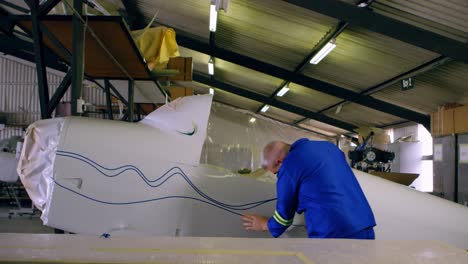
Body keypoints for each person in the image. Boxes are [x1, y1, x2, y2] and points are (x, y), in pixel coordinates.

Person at [241, 138, 376, 239]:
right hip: (363, 224)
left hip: (333, 232)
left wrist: (265, 225)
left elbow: (284, 217)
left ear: (279, 161)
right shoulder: (328, 147)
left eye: (276, 172)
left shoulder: (289, 165)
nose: (278, 176)